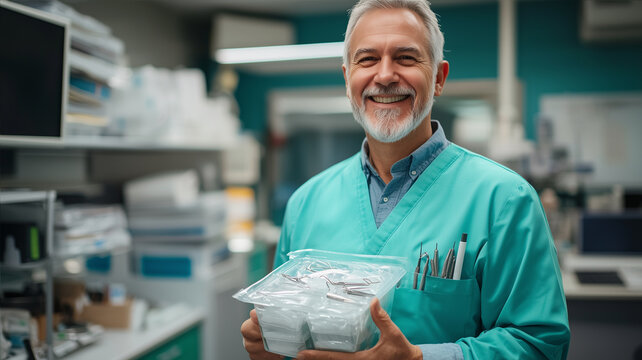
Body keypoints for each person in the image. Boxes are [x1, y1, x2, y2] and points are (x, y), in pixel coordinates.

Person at [241, 0, 571, 359]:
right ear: (347, 78)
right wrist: (273, 348)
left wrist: (420, 359)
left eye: (406, 58)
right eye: (367, 59)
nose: (384, 75)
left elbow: (538, 345)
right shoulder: (306, 203)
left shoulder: (505, 200)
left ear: (439, 78)